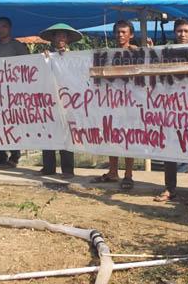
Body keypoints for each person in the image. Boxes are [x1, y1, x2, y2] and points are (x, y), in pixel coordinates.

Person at [154, 17, 188, 205]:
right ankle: (170, 189)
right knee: (170, 149)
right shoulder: (166, 52)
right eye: (179, 31)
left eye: (186, 31)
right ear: (174, 33)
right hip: (171, 107)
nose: (182, 34)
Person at [92, 20, 137, 190]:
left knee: (128, 137)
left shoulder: (136, 53)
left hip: (131, 102)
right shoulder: (107, 55)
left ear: (131, 35)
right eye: (118, 32)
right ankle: (113, 171)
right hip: (110, 101)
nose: (120, 35)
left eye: (124, 32)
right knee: (111, 136)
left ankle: (128, 174)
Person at [37, 23, 82, 178]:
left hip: (67, 102)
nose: (61, 39)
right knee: (48, 133)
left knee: (66, 135)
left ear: (68, 39)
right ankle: (48, 168)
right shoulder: (46, 56)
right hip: (48, 101)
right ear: (53, 39)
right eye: (58, 36)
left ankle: (67, 170)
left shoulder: (75, 57)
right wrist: (45, 60)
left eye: (64, 36)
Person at [0, 17, 29, 168]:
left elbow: (28, 67)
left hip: (14, 93)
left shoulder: (18, 46)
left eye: (3, 26)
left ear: (9, 28)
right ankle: (0, 155)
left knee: (13, 124)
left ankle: (15, 156)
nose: (0, 29)